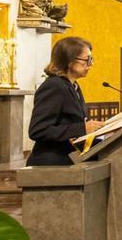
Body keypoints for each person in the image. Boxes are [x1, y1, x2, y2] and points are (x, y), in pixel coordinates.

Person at [27, 37, 104, 166]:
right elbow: (38, 130)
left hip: (69, 160)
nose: (90, 64)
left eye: (91, 59)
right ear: (69, 61)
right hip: (51, 164)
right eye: (87, 60)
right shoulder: (54, 86)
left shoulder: (74, 87)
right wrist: (82, 128)